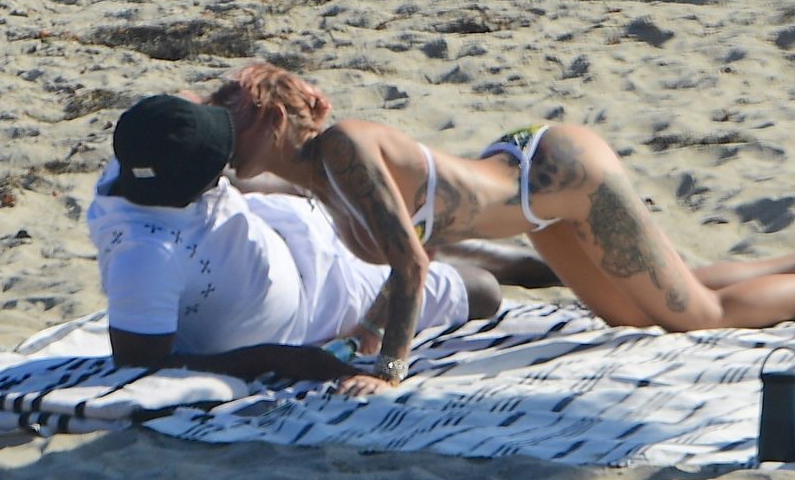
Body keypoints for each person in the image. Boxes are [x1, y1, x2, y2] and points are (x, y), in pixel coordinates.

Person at [205, 62, 795, 385]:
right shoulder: (316, 179)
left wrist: (388, 369)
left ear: (276, 122)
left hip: (564, 174)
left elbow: (412, 264)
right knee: (633, 314)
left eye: (235, 124)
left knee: (698, 318)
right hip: (535, 199)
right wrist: (365, 333)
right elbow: (414, 245)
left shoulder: (343, 150)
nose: (226, 140)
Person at [86, 94, 507, 396]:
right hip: (324, 300)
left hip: (277, 223)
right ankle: (438, 248)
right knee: (483, 290)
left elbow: (185, 112)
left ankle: (429, 246)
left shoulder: (141, 154)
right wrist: (275, 359)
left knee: (410, 246)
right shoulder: (144, 258)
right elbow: (139, 364)